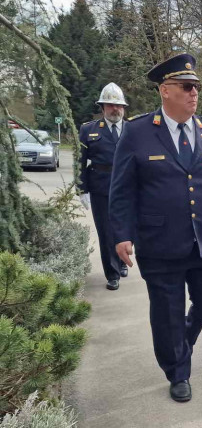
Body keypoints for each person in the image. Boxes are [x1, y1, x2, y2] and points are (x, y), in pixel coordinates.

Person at [109, 53, 202, 402]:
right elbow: (121, 189)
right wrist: (121, 235)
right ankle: (178, 371)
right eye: (186, 87)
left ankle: (183, 336)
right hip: (159, 243)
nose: (194, 93)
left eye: (196, 86)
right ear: (164, 90)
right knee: (166, 313)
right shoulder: (137, 132)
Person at [78, 83, 129, 290]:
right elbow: (78, 161)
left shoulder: (132, 129)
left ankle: (123, 261)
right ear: (103, 107)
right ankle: (112, 273)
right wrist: (82, 189)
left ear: (123, 108)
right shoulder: (88, 130)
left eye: (118, 106)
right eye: (110, 106)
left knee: (125, 228)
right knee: (106, 232)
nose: (115, 110)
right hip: (101, 187)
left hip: (127, 188)